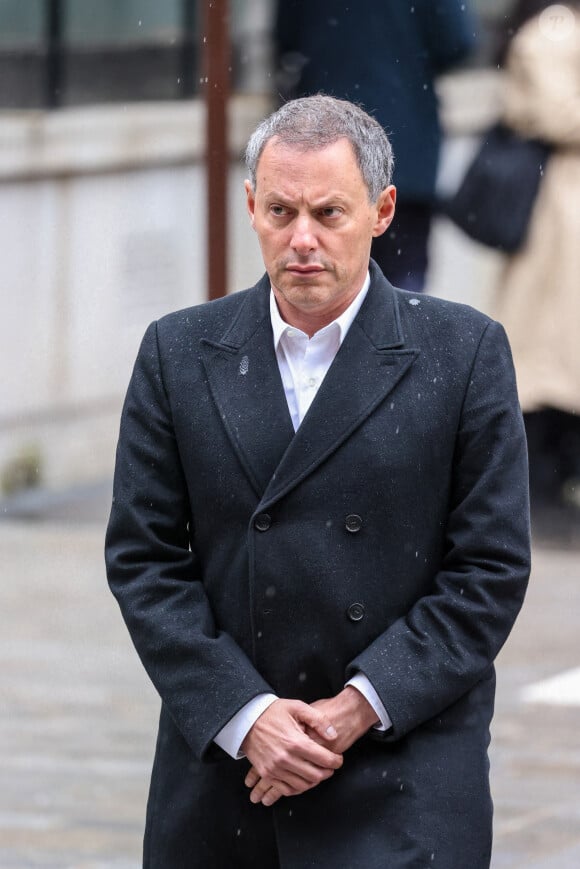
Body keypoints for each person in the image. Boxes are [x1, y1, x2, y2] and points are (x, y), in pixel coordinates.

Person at [105, 95, 530, 868]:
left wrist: (357, 707)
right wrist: (247, 713)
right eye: (280, 210)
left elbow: (490, 568)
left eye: (329, 212)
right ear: (250, 206)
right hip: (229, 770)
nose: (302, 239)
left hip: (404, 763)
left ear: (382, 210)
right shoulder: (176, 353)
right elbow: (144, 561)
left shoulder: (464, 353)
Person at [274, 0, 477, 292]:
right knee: (402, 284)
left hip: (324, 141)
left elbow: (287, 38)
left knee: (323, 274)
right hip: (403, 135)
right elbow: (457, 42)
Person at [493, 0, 580, 516]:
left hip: (567, 205)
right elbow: (558, 113)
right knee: (545, 354)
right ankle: (541, 490)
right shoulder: (552, 29)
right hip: (558, 213)